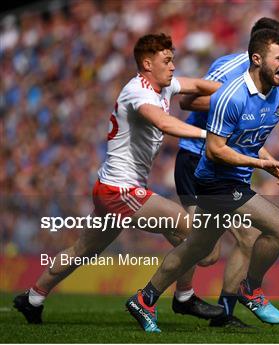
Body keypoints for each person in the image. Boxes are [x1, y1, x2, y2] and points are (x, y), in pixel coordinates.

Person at [13, 33, 224, 326]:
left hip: (112, 188)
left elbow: (199, 85)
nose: (173, 66)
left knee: (83, 250)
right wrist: (210, 136)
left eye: (172, 59)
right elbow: (164, 122)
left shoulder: (163, 85)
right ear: (147, 64)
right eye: (167, 60)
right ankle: (183, 298)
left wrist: (235, 94)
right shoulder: (137, 92)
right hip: (119, 191)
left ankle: (33, 298)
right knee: (188, 227)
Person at [126, 28, 279, 333]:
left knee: (199, 249)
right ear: (257, 59)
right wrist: (261, 163)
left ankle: (145, 299)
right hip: (215, 180)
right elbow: (214, 150)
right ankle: (250, 289)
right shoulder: (231, 96)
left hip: (235, 178)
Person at [175, 17, 279, 328]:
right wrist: (225, 99)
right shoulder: (230, 69)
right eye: (278, 53)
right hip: (197, 158)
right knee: (206, 251)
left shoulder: (271, 86)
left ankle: (223, 313)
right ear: (259, 50)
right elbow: (187, 101)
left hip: (230, 165)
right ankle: (177, 296)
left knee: (248, 237)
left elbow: (247, 133)